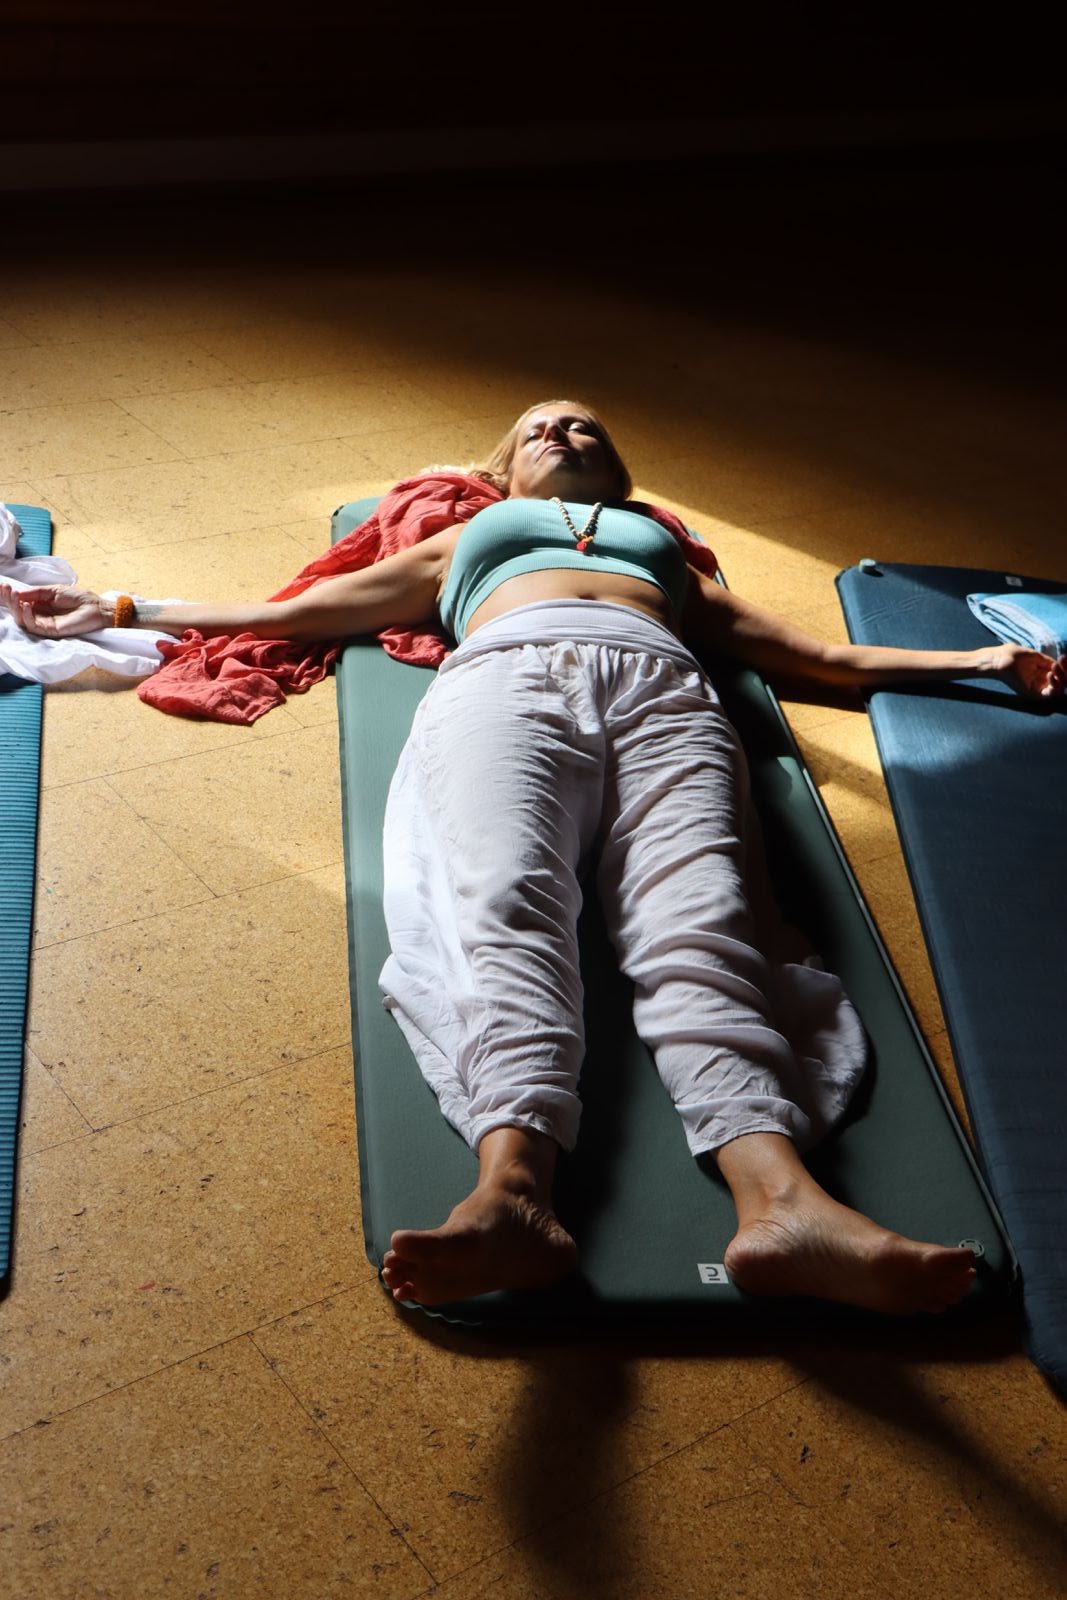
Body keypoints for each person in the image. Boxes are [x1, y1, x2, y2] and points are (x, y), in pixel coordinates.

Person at [4, 401, 1064, 1318]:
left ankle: (784, 1203)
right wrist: (123, 608)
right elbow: (298, 611)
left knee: (704, 921)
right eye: (535, 428)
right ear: (500, 471)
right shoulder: (472, 533)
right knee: (505, 902)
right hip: (506, 681)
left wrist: (979, 659)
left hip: (665, 694)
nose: (559, 430)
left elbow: (820, 656)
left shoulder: (661, 549)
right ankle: (513, 1190)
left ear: (618, 469)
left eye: (581, 424)